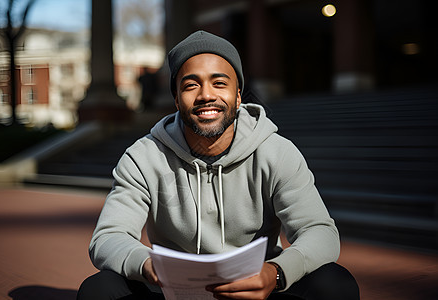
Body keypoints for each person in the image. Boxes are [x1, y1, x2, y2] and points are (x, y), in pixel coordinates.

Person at [77, 30, 359, 300]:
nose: (206, 95)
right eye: (191, 85)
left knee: (334, 284)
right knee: (100, 289)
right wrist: (149, 266)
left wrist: (276, 274)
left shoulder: (277, 152)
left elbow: (321, 233)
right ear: (176, 98)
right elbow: (108, 237)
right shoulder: (143, 157)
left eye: (219, 83)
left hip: (256, 290)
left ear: (238, 96)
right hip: (169, 290)